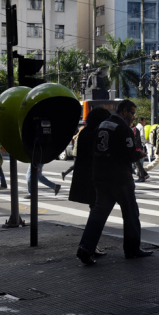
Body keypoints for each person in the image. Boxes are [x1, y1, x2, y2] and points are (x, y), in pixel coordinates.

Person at [76, 99, 152, 265]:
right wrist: (138, 155)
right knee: (131, 214)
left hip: (101, 177)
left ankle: (85, 247)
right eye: (132, 113)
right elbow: (129, 155)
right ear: (124, 111)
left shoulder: (102, 125)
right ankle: (132, 249)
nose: (133, 117)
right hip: (120, 178)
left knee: (98, 214)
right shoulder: (123, 128)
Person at [68, 107, 110, 258]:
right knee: (97, 212)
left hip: (85, 177)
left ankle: (92, 245)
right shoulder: (96, 133)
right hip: (95, 178)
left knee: (95, 211)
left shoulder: (85, 132)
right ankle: (89, 246)